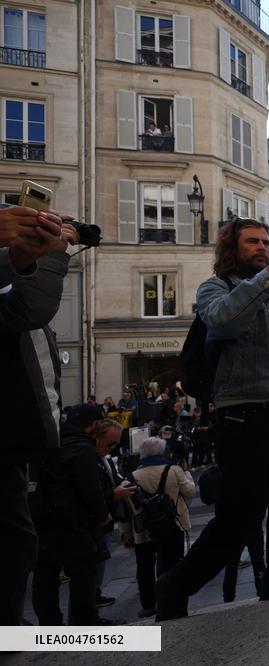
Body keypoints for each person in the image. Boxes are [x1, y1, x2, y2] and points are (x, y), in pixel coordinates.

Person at [155, 217, 269, 620]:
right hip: (239, 416)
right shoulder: (214, 289)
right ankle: (176, 585)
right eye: (253, 242)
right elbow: (223, 319)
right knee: (240, 516)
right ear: (231, 249)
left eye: (267, 243)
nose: (263, 248)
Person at [1, 203, 79, 626]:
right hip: (15, 437)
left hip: (13, 442)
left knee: (18, 544)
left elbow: (28, 312)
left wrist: (25, 256)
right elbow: (26, 312)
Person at [31, 404, 111, 626]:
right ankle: (85, 620)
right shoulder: (83, 447)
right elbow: (89, 486)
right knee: (84, 571)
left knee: (46, 575)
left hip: (45, 519)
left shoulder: (54, 442)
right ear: (93, 424)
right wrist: (102, 514)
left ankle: (50, 624)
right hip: (71, 521)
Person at [127, 436, 196, 618]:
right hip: (172, 524)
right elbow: (190, 491)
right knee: (172, 562)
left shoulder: (132, 476)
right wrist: (186, 472)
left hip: (145, 529)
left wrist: (127, 534)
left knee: (144, 567)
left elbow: (128, 508)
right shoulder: (173, 470)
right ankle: (169, 598)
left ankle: (148, 604)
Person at [93, 418, 129, 609]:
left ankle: (95, 595)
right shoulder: (89, 460)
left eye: (117, 443)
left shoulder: (105, 460)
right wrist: (114, 495)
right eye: (110, 443)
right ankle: (91, 600)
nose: (113, 448)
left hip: (107, 519)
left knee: (100, 562)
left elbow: (113, 479)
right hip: (97, 520)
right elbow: (92, 493)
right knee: (94, 565)